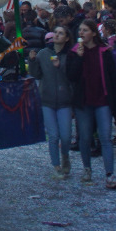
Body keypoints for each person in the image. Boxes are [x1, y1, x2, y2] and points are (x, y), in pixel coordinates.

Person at [73, 19, 116, 188]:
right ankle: (87, 168)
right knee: (86, 137)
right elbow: (71, 75)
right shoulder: (75, 52)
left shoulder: (104, 51)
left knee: (105, 137)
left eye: (85, 30)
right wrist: (78, 58)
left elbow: (112, 78)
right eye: (80, 30)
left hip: (102, 99)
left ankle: (110, 174)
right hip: (84, 100)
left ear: (94, 33)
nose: (81, 33)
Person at [29, 24, 81, 178]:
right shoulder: (44, 53)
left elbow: (72, 77)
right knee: (53, 136)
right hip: (47, 100)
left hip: (65, 100)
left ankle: (65, 156)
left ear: (66, 38)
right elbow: (36, 74)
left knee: (65, 136)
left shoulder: (70, 55)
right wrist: (32, 61)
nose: (57, 35)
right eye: (55, 32)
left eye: (60, 33)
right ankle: (56, 166)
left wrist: (59, 68)